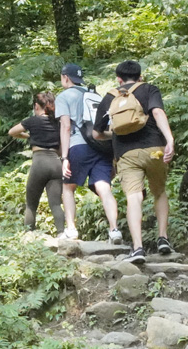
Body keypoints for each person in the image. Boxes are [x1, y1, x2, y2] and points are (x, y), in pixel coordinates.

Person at [92, 60, 175, 264]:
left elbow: (96, 133)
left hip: (126, 154)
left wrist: (117, 133)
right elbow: (157, 112)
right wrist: (170, 140)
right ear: (140, 76)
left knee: (134, 197)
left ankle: (138, 248)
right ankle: (162, 238)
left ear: (118, 79)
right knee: (159, 192)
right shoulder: (149, 89)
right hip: (154, 149)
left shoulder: (111, 96)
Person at [55, 64, 122, 244]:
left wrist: (65, 157)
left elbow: (66, 126)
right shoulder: (95, 95)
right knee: (104, 188)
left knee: (68, 187)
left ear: (65, 78)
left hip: (78, 146)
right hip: (101, 145)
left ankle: (71, 229)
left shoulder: (63, 96)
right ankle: (114, 229)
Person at [8, 92, 68, 237]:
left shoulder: (32, 121)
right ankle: (61, 234)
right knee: (55, 204)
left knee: (31, 204)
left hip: (39, 162)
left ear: (36, 106)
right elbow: (61, 148)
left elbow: (12, 132)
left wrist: (29, 135)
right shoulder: (58, 122)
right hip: (55, 163)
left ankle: (28, 235)